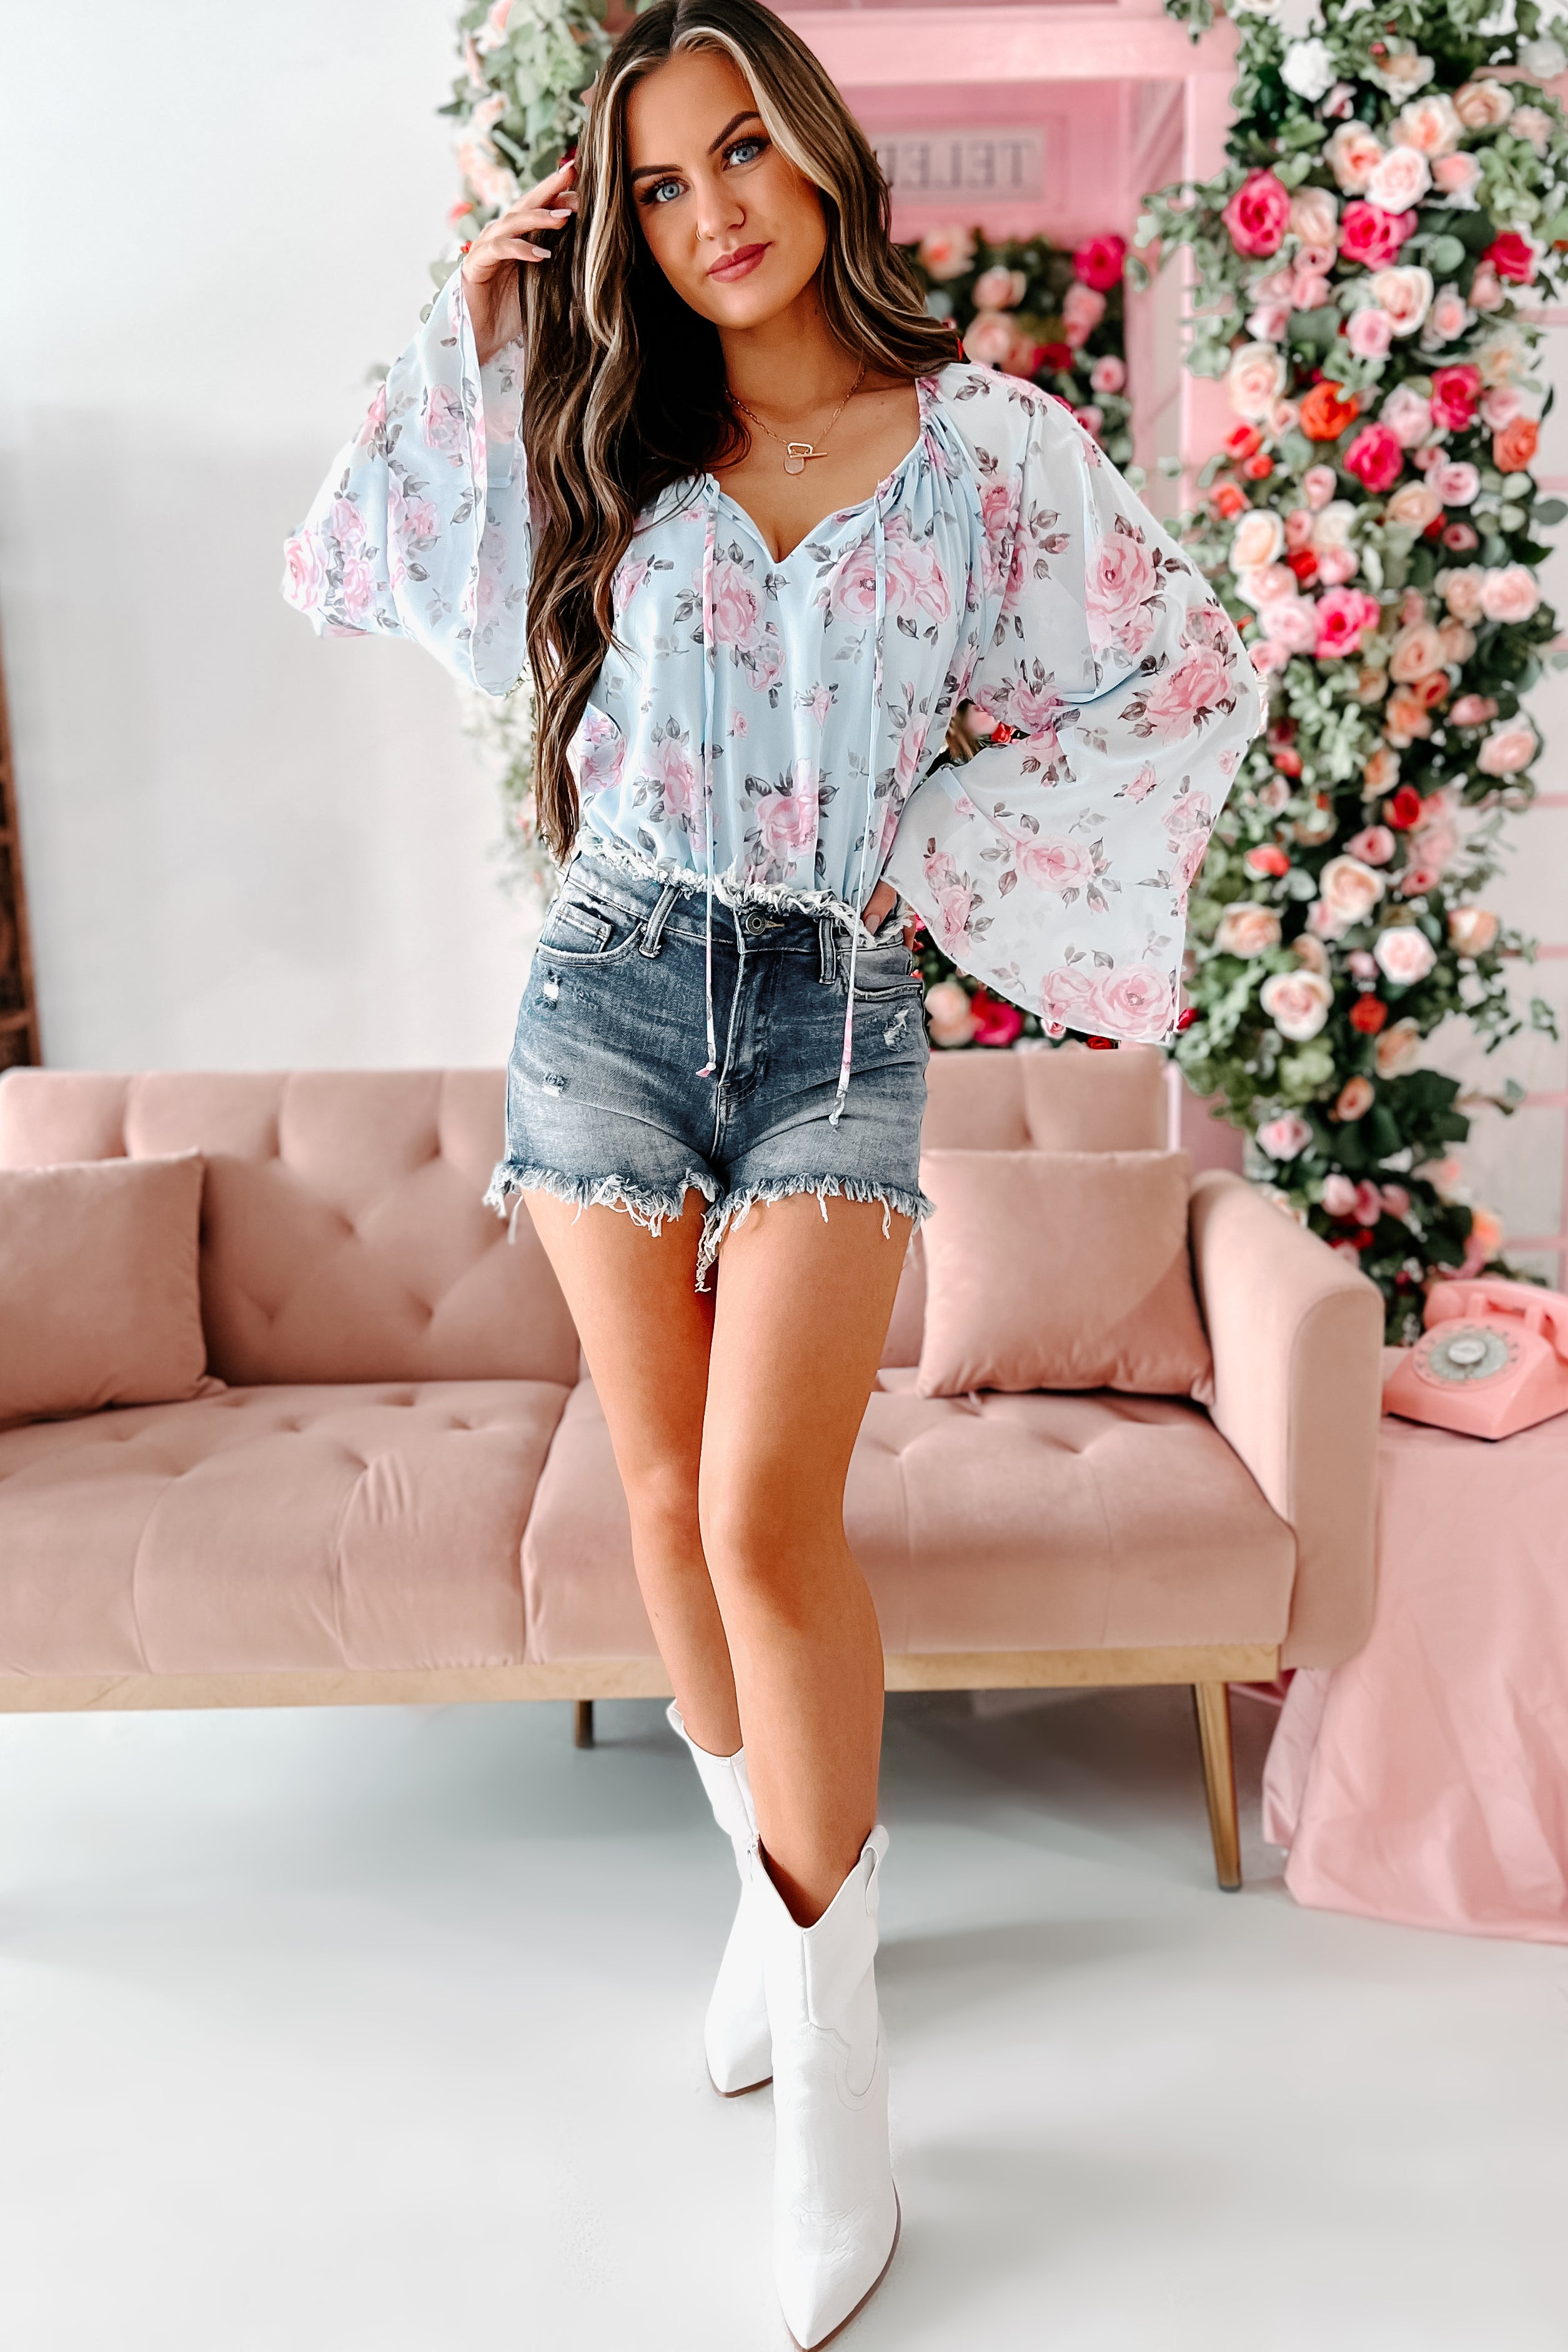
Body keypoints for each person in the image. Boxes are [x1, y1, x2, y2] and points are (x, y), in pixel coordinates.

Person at [283, 2, 1262, 2336]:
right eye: (656, 183)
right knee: (655, 1492)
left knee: (760, 1511)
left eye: (739, 152)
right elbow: (354, 558)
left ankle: (839, 2068)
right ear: (619, 224)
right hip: (611, 988)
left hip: (833, 1007)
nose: (710, 209)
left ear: (815, 155)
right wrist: (477, 323)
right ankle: (769, 1896)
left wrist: (946, 842)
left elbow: (1187, 673)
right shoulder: (597, 433)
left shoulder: (991, 451)